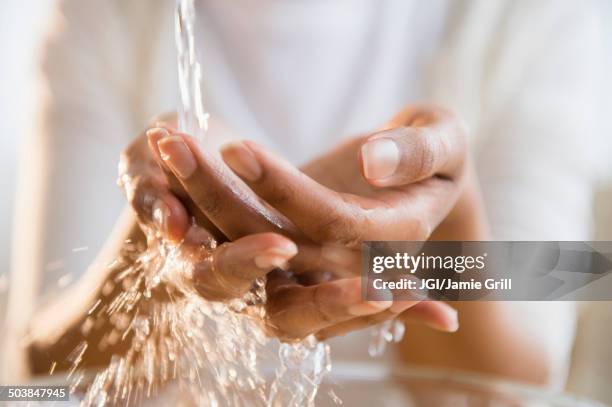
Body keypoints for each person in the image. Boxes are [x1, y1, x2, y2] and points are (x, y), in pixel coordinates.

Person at [3, 0, 603, 394]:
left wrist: (436, 238)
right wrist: (159, 241)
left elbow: (525, 383)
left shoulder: (534, 17)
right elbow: (41, 374)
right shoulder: (108, 15)